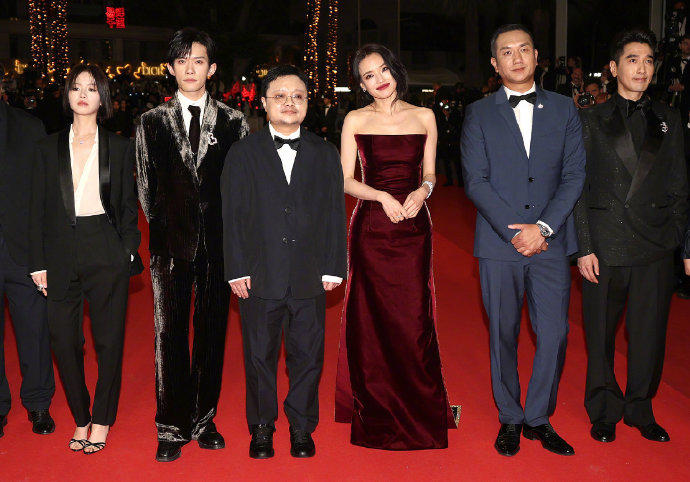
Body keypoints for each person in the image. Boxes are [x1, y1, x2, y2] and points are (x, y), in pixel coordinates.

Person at [461, 24, 586, 457]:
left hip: (551, 243)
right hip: (500, 245)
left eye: (524, 49)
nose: (516, 58)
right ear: (495, 64)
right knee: (503, 333)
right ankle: (511, 417)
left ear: (536, 57)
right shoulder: (478, 113)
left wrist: (543, 228)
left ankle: (538, 417)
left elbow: (574, 175)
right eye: (506, 52)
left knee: (554, 334)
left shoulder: (564, 109)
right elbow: (475, 181)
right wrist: (516, 232)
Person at [333, 43, 457, 450]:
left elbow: (430, 173)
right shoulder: (355, 119)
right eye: (369, 75)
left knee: (414, 318)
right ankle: (377, 407)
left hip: (413, 230)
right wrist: (380, 196)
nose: (379, 79)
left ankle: (419, 406)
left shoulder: (424, 116)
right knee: (373, 319)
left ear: (395, 70)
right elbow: (345, 180)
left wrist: (423, 190)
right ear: (361, 85)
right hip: (371, 229)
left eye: (383, 70)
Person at [222, 64, 346, 459]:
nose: (289, 102)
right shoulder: (243, 153)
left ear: (307, 103)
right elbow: (233, 214)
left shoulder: (325, 153)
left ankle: (301, 427)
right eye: (280, 96)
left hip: (310, 273)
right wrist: (236, 268)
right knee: (258, 356)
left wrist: (334, 265)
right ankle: (261, 426)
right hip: (259, 274)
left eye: (297, 96)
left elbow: (334, 212)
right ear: (263, 102)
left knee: (308, 356)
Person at [135, 28, 248, 463]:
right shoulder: (151, 122)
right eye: (181, 61)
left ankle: (203, 419)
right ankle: (171, 426)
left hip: (219, 247)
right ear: (170, 68)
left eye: (198, 60)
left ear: (211, 69)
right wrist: (168, 229)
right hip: (170, 248)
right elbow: (146, 189)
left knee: (212, 334)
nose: (189, 68)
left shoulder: (234, 122)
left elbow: (239, 190)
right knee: (169, 336)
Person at [574, 29, 689, 444]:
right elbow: (578, 188)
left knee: (649, 336)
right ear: (613, 67)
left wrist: (679, 241)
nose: (642, 68)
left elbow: (680, 185)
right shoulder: (591, 119)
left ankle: (640, 408)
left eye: (648, 61)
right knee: (600, 334)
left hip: (655, 245)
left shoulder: (668, 118)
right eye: (632, 60)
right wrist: (584, 246)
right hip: (605, 245)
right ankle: (604, 408)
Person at [28, 64, 141, 454]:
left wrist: (127, 249)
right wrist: (38, 263)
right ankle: (81, 416)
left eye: (91, 88)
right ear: (67, 95)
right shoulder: (46, 148)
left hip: (105, 246)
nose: (82, 94)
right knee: (63, 340)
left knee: (109, 342)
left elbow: (128, 207)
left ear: (102, 97)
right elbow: (36, 209)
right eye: (76, 87)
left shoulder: (120, 147)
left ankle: (103, 418)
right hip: (59, 250)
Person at [0, 92, 55, 439]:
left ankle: (38, 403)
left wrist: (45, 252)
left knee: (34, 329)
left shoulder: (29, 127)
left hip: (22, 249)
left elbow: (45, 195)